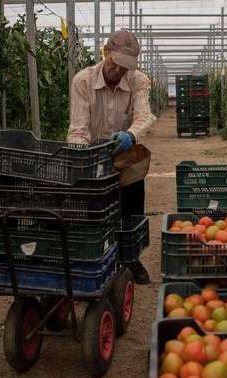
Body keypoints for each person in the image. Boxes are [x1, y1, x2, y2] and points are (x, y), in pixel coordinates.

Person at [67, 30, 156, 285]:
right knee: (95, 208)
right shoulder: (83, 81)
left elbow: (145, 116)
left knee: (131, 203)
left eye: (125, 67)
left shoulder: (138, 81)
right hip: (93, 153)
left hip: (125, 152)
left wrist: (130, 134)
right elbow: (79, 128)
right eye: (116, 64)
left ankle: (130, 257)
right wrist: (82, 157)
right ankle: (94, 257)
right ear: (106, 52)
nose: (119, 72)